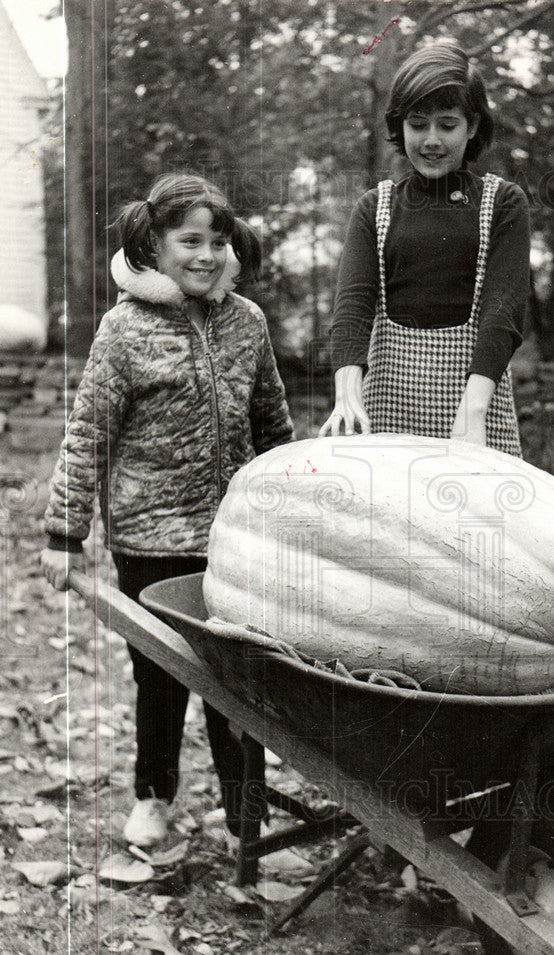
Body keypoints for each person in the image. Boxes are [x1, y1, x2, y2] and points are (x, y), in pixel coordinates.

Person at [41, 173, 294, 848]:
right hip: (149, 539)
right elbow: (88, 430)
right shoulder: (124, 330)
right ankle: (153, 798)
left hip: (234, 538)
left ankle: (247, 818)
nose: (206, 254)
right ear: (154, 244)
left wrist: (294, 509)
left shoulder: (247, 323)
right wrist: (65, 532)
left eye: (217, 240)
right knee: (160, 679)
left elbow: (273, 426)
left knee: (240, 683)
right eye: (189, 240)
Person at [319, 42, 529, 455]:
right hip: (383, 414)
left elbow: (502, 315)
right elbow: (352, 309)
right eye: (418, 125)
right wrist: (347, 396)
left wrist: (472, 415)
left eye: (447, 125)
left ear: (471, 127)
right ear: (401, 128)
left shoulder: (503, 203)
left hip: (475, 412)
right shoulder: (374, 207)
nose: (431, 140)